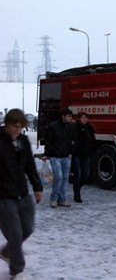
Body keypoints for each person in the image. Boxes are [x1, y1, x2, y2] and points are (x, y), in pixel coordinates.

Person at [0, 109, 44, 279]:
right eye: (15, 127)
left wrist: (38, 187)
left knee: (27, 228)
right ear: (7, 124)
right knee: (15, 232)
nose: (18, 131)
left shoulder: (23, 141)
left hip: (22, 193)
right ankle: (17, 270)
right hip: (4, 196)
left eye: (21, 127)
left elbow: (30, 166)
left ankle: (6, 251)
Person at [42, 108, 74, 208]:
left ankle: (62, 199)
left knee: (65, 178)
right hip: (55, 157)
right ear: (63, 116)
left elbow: (72, 141)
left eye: (71, 116)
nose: (70, 118)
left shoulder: (70, 127)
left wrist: (71, 152)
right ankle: (54, 199)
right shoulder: (53, 127)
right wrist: (46, 154)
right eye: (68, 116)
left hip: (66, 157)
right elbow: (48, 142)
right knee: (58, 177)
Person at [72, 112, 96, 203]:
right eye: (83, 117)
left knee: (86, 174)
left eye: (86, 117)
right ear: (79, 118)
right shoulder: (75, 127)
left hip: (87, 154)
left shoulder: (89, 128)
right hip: (77, 154)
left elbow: (93, 140)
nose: (85, 119)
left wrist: (92, 151)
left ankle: (78, 187)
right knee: (77, 174)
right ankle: (77, 194)